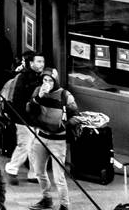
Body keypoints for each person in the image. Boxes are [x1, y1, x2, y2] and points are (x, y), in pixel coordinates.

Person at [28, 69, 78, 209]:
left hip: (58, 140)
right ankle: (46, 198)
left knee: (59, 177)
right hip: (41, 137)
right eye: (45, 80)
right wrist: (38, 97)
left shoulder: (65, 95)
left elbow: (76, 115)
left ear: (55, 81)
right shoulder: (38, 91)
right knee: (39, 171)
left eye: (50, 80)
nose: (47, 83)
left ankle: (64, 205)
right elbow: (29, 110)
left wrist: (65, 124)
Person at [3, 52, 47, 185]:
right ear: (31, 63)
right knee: (25, 145)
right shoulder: (22, 78)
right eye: (38, 61)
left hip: (36, 118)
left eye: (42, 62)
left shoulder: (42, 78)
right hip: (23, 117)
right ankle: (11, 169)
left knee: (36, 146)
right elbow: (17, 100)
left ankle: (34, 173)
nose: (41, 64)